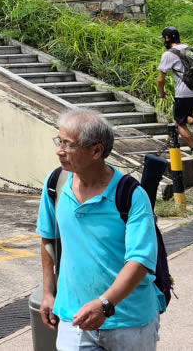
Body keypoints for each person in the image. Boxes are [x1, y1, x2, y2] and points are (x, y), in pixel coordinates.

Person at [38, 108, 160, 350]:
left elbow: (140, 259)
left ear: (96, 150)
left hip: (129, 321)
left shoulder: (131, 195)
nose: (59, 150)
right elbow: (48, 239)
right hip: (73, 318)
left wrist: (106, 304)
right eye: (59, 141)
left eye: (68, 144)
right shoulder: (55, 184)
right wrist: (48, 292)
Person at [156, 26, 193, 152]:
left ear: (167, 38)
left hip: (184, 93)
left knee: (179, 122)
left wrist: (162, 93)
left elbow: (160, 79)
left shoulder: (168, 54)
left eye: (164, 39)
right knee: (187, 114)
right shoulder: (191, 49)